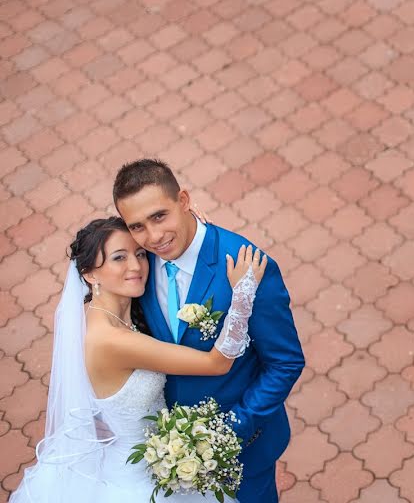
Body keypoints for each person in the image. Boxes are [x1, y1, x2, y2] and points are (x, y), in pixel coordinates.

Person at [11, 217, 267, 502]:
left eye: (140, 254)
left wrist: (187, 223)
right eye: (119, 258)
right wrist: (244, 293)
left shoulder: (95, 311)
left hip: (129, 454)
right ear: (90, 275)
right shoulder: (112, 340)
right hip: (142, 475)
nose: (136, 266)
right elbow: (217, 363)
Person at [113, 159, 305, 503]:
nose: (154, 236)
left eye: (160, 216)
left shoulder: (247, 266)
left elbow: (285, 363)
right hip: (169, 449)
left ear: (184, 201)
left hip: (244, 449)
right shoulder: (139, 262)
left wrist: (231, 430)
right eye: (138, 226)